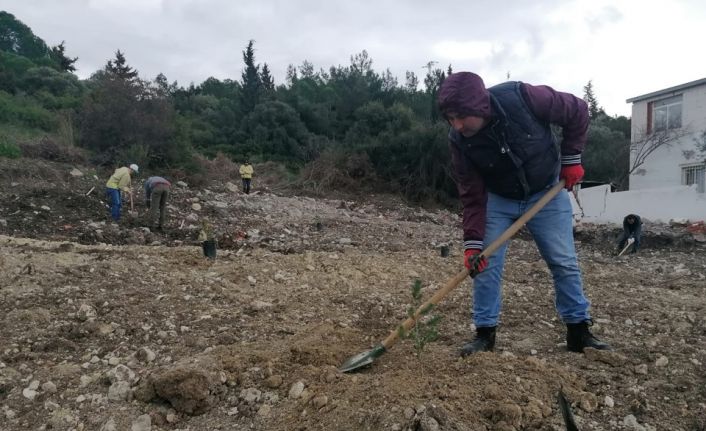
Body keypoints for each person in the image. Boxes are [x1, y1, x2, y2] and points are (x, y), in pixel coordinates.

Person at [437, 72, 611, 356]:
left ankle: (579, 332)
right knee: (485, 265)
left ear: (479, 107)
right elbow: (471, 193)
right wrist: (472, 244)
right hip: (498, 199)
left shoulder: (523, 97)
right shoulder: (459, 140)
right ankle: (484, 336)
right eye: (449, 118)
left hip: (546, 191)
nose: (456, 125)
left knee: (563, 261)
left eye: (461, 116)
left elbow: (577, 110)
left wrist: (571, 159)